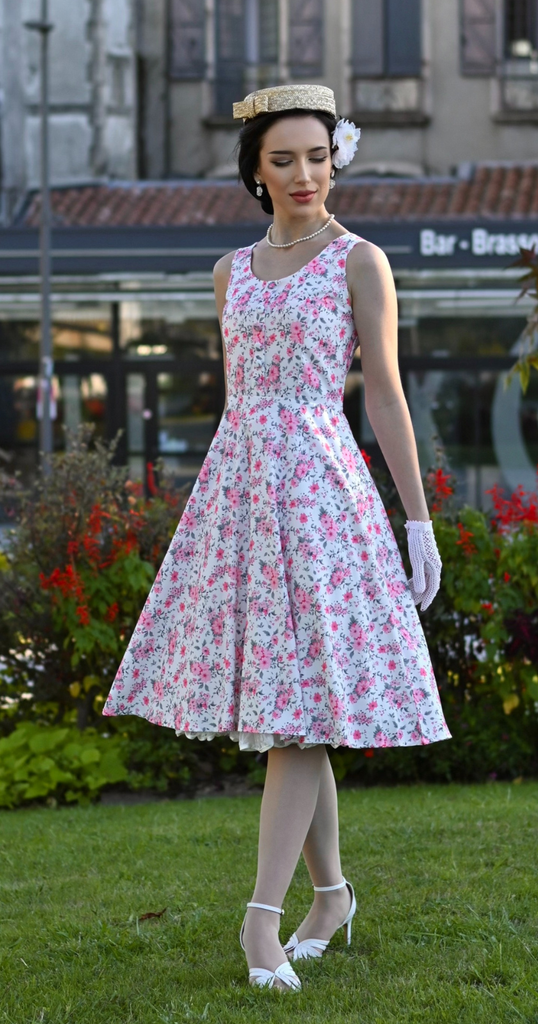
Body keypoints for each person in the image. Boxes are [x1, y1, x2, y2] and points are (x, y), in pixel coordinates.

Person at [102, 83, 451, 992]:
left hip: (323, 493)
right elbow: (235, 396)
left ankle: (262, 921)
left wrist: (416, 519)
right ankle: (331, 894)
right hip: (242, 491)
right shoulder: (230, 270)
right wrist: (223, 503)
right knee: (295, 714)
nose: (305, 174)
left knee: (295, 715)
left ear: (338, 160)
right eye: (284, 158)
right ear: (256, 171)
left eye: (319, 156)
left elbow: (383, 394)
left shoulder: (359, 261)